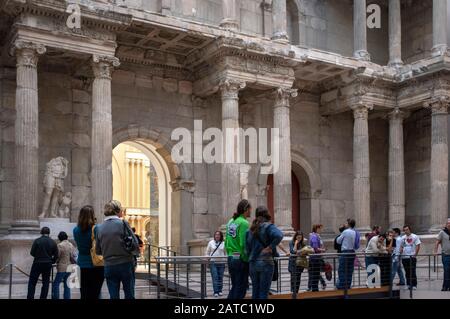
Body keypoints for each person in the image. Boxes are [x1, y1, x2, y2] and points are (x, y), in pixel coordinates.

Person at [96, 200, 140, 299]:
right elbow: (135, 243)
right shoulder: (123, 223)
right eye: (121, 209)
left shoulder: (99, 227)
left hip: (109, 265)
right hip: (125, 263)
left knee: (113, 295)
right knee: (129, 294)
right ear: (117, 211)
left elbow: (98, 250)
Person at [246, 206, 283, 299]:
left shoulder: (250, 229)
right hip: (266, 262)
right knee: (263, 293)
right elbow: (279, 235)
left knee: (255, 292)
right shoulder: (268, 226)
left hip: (253, 263)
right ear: (267, 214)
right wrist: (270, 247)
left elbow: (247, 248)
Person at [73, 205, 104, 299]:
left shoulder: (75, 230)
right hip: (96, 265)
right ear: (92, 215)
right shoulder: (96, 228)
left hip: (81, 264)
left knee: (84, 294)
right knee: (95, 294)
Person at [225, 199, 252, 299]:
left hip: (231, 257)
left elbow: (226, 241)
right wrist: (247, 258)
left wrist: (230, 253)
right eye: (250, 209)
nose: (251, 211)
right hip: (240, 259)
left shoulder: (231, 221)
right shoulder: (244, 223)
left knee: (235, 286)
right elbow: (243, 243)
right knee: (241, 288)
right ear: (246, 209)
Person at [27, 227, 58, 299]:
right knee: (46, 282)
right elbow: (56, 255)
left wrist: (38, 256)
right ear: (49, 233)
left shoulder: (37, 241)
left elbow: (32, 253)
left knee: (32, 282)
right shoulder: (53, 242)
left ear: (41, 232)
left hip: (37, 263)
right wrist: (52, 261)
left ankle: (30, 297)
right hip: (48, 264)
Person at [52, 231, 76, 299]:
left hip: (62, 267)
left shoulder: (60, 245)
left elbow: (58, 256)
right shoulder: (71, 245)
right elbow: (74, 255)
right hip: (70, 266)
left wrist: (55, 261)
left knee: (56, 284)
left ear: (59, 238)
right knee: (67, 285)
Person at [336, 219, 358, 290]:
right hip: (352, 252)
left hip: (345, 252)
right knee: (349, 269)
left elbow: (338, 241)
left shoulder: (345, 231)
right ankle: (348, 285)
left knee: (341, 269)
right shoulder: (355, 232)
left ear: (348, 224)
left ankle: (342, 286)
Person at [206, 231, 226, 297]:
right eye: (216, 235)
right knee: (215, 277)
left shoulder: (224, 243)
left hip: (222, 263)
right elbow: (207, 252)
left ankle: (220, 290)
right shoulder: (211, 242)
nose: (217, 236)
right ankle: (216, 291)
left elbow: (226, 253)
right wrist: (207, 259)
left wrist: (226, 260)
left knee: (220, 277)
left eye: (218, 235)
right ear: (214, 236)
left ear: (221, 236)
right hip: (213, 262)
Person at [400, 225, 421, 290]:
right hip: (404, 257)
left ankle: (414, 285)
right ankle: (408, 284)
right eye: (404, 230)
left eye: (407, 229)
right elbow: (401, 246)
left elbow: (418, 245)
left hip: (412, 256)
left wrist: (415, 254)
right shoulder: (403, 238)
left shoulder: (415, 236)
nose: (406, 231)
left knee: (412, 271)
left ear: (410, 230)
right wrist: (401, 251)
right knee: (407, 271)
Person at [308, 224, 326, 292]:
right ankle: (315, 290)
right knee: (315, 274)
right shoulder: (314, 236)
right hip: (315, 258)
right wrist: (322, 250)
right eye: (320, 228)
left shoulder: (315, 236)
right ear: (317, 228)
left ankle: (315, 289)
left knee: (315, 274)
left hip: (315, 258)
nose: (321, 230)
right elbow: (315, 248)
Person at [434, 219, 450, 291]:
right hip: (446, 255)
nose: (449, 224)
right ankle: (445, 286)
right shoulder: (442, 232)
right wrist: (435, 251)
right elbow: (437, 242)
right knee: (446, 270)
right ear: (446, 224)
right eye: (448, 223)